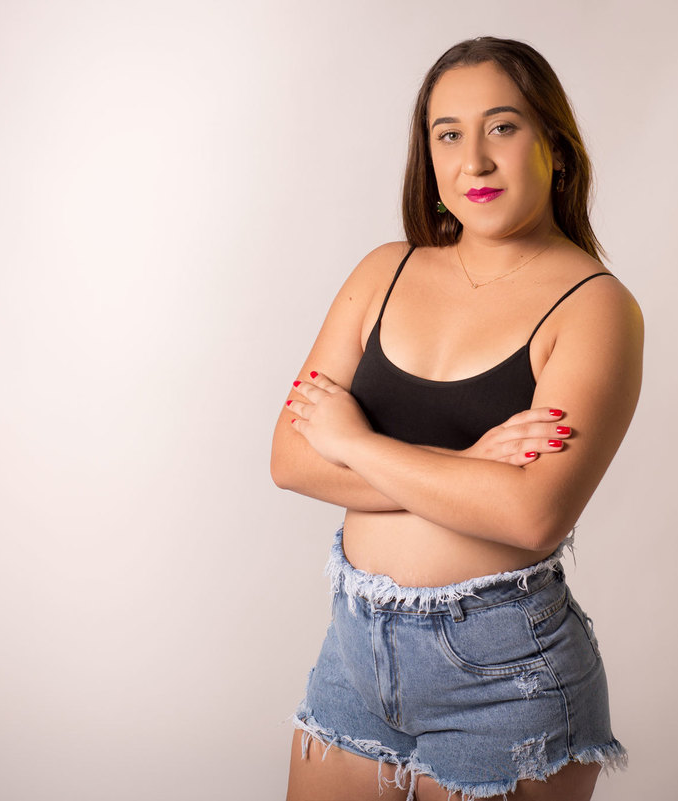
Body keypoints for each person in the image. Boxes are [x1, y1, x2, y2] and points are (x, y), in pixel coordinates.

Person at [271, 36, 643, 801]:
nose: (473, 159)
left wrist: (353, 442)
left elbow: (532, 514)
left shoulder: (595, 306)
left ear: (555, 148)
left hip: (504, 679)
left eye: (502, 126)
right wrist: (472, 467)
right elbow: (292, 457)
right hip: (352, 655)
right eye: (448, 134)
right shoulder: (384, 270)